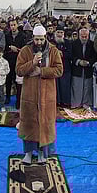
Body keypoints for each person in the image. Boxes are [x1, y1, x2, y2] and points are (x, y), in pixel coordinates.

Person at [16, 25, 63, 164]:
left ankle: (43, 153)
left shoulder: (53, 51)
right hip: (29, 96)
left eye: (41, 40)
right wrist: (33, 63)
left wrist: (41, 72)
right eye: (36, 40)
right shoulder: (25, 51)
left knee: (45, 124)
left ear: (45, 38)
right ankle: (28, 154)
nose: (39, 43)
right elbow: (19, 70)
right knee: (29, 123)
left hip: (46, 96)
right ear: (33, 38)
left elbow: (59, 70)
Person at [70, 27, 97, 109]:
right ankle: (76, 104)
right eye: (82, 36)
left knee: (87, 87)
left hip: (88, 69)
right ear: (79, 36)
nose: (84, 38)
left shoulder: (92, 44)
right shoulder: (74, 43)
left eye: (86, 36)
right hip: (77, 69)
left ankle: (86, 104)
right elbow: (71, 55)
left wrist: (88, 62)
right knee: (76, 87)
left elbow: (95, 56)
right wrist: (78, 61)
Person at [4, 20, 26, 105]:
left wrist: (17, 49)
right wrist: (10, 47)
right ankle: (8, 97)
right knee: (8, 80)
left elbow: (25, 48)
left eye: (14, 25)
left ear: (17, 25)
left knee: (18, 81)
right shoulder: (7, 36)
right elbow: (4, 47)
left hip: (18, 61)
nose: (13, 27)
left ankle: (18, 99)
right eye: (11, 25)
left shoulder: (22, 36)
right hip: (9, 60)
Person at [53, 26, 72, 107]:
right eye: (58, 32)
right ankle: (56, 102)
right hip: (54, 68)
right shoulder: (51, 43)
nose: (60, 34)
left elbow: (71, 54)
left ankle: (65, 103)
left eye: (61, 33)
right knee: (55, 86)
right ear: (55, 33)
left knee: (65, 86)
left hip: (66, 68)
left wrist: (62, 54)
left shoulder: (68, 43)